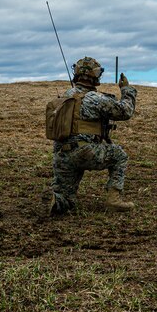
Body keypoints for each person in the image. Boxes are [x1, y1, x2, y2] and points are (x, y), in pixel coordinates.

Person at [50, 57, 138, 214]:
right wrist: (127, 90)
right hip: (85, 152)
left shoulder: (64, 97)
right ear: (96, 76)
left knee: (66, 200)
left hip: (61, 154)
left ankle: (59, 200)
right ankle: (114, 200)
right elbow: (125, 111)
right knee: (120, 155)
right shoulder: (95, 99)